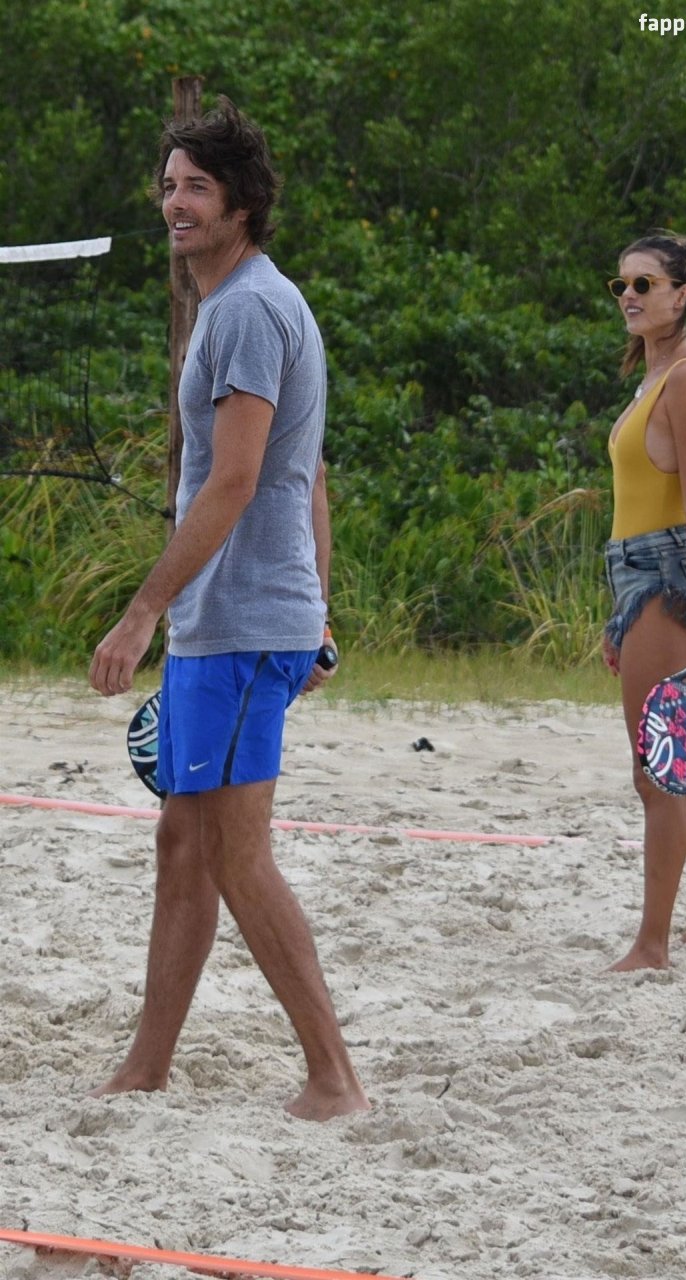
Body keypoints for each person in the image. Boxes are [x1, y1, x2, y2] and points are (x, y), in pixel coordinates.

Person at [88, 97, 369, 1121]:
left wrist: (140, 612)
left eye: (197, 187)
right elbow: (312, 477)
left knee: (236, 855)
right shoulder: (244, 304)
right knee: (185, 841)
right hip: (242, 620)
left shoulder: (248, 308)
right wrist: (318, 613)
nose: (176, 203)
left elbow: (241, 479)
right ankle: (148, 1065)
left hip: (241, 623)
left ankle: (334, 1078)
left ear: (242, 203)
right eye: (168, 185)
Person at [602, 231, 686, 972]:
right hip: (636, 576)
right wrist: (617, 614)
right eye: (621, 284)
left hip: (664, 576)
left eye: (643, 284)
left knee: (656, 768)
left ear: (681, 295)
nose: (628, 295)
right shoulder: (653, 375)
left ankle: (652, 945)